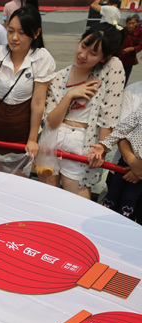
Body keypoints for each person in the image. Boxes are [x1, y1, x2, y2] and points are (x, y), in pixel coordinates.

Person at [41, 23, 125, 199]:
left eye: (93, 53)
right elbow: (51, 121)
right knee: (47, 198)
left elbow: (110, 114)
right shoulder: (59, 77)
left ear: (105, 57)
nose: (83, 55)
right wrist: (70, 95)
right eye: (83, 46)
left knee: (76, 202)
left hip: (82, 142)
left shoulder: (111, 68)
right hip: (52, 139)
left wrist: (102, 147)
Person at [0, 6, 55, 165]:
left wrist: (32, 140)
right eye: (10, 31)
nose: (14, 37)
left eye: (22, 33)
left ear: (36, 33)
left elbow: (38, 103)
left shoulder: (42, 59)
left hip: (22, 135)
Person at [89, 109, 142, 219]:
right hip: (125, 162)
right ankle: (105, 225)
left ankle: (122, 229)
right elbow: (121, 129)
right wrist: (104, 146)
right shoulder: (140, 111)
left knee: (129, 200)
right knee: (112, 195)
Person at [119, 14, 142, 85]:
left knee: (125, 76)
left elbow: (141, 45)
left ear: (137, 23)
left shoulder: (140, 32)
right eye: (129, 23)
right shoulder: (122, 31)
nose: (130, 25)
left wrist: (132, 48)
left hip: (130, 59)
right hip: (119, 57)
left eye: (133, 23)